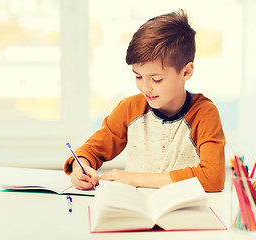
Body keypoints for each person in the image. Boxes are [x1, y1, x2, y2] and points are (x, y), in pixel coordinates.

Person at [64, 9, 225, 192]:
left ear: (186, 72)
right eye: (138, 76)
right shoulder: (129, 109)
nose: (145, 87)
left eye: (156, 79)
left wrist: (134, 178)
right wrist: (80, 167)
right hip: (136, 210)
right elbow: (90, 151)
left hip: (183, 213)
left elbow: (214, 178)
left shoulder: (204, 113)